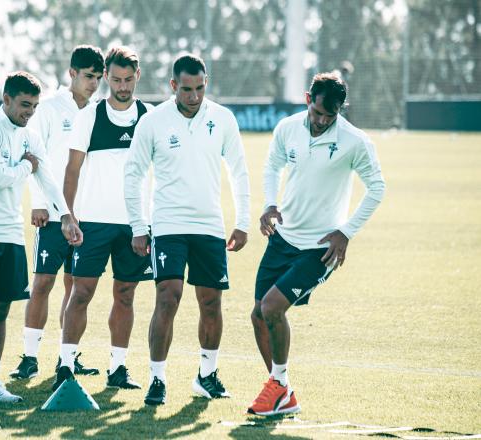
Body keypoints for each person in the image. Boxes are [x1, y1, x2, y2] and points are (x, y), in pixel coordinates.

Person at [247, 72, 385, 416]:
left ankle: (278, 389)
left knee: (272, 308)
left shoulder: (355, 141)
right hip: (283, 238)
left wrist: (346, 231)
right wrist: (269, 203)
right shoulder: (287, 128)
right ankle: (281, 390)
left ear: (341, 110)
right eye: (318, 112)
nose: (322, 121)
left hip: (319, 248)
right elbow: (272, 166)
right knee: (257, 315)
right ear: (309, 98)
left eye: (331, 115)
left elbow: (377, 187)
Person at [124, 53, 251, 406]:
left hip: (210, 225)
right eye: (186, 89)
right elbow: (133, 173)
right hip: (167, 223)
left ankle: (206, 375)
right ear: (173, 86)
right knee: (168, 296)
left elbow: (239, 171)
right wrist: (138, 225)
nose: (193, 96)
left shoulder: (223, 118)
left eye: (199, 88)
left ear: (205, 84)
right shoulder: (153, 121)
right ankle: (157, 379)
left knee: (211, 302)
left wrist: (242, 222)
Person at [0, 71, 80, 407]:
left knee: (0, 309)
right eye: (25, 104)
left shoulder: (28, 134)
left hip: (11, 235)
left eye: (35, 106)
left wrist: (66, 215)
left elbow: (49, 178)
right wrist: (27, 166)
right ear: (6, 99)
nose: (30, 112)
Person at [52, 46, 154, 392]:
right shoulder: (90, 116)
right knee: (81, 293)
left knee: (125, 295)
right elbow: (71, 170)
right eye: (116, 79)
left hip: (135, 225)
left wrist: (150, 222)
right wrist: (68, 215)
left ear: (137, 77)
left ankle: (118, 368)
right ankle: (65, 365)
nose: (122, 86)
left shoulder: (149, 117)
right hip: (93, 221)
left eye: (128, 80)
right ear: (106, 77)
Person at [9, 45, 105, 381]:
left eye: (98, 77)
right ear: (72, 74)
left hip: (86, 213)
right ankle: (29, 357)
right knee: (42, 283)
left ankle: (69, 358)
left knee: (76, 287)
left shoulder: (98, 112)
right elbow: (36, 156)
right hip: (51, 212)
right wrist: (38, 202)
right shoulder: (49, 109)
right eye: (88, 76)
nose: (93, 83)